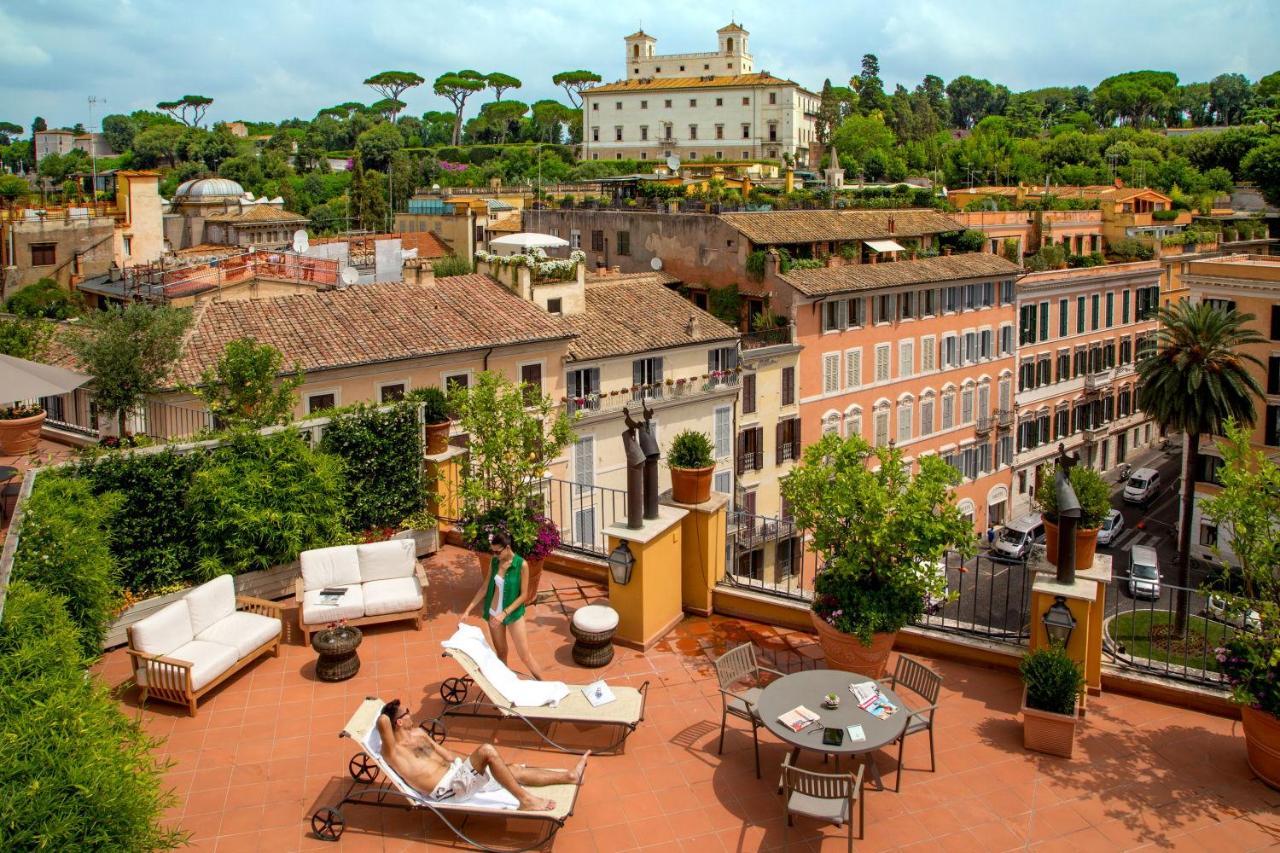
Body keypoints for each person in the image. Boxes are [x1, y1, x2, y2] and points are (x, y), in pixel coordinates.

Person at [375, 699, 586, 810]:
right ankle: (526, 801)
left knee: (512, 771)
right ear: (399, 722)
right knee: (487, 750)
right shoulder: (393, 751)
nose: (411, 713)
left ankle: (569, 776)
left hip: (457, 775)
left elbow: (445, 754)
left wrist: (466, 763)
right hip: (447, 790)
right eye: (407, 712)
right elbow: (383, 721)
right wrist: (386, 710)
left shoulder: (419, 733)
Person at [463, 531, 543, 679]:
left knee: (525, 656)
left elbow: (524, 595)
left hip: (512, 614)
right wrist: (468, 610)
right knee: (501, 653)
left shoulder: (521, 565)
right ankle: (505, 687)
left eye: (497, 552)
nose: (494, 555)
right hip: (494, 613)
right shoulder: (495, 562)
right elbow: (485, 587)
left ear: (507, 548)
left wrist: (504, 614)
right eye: (492, 552)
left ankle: (546, 686)